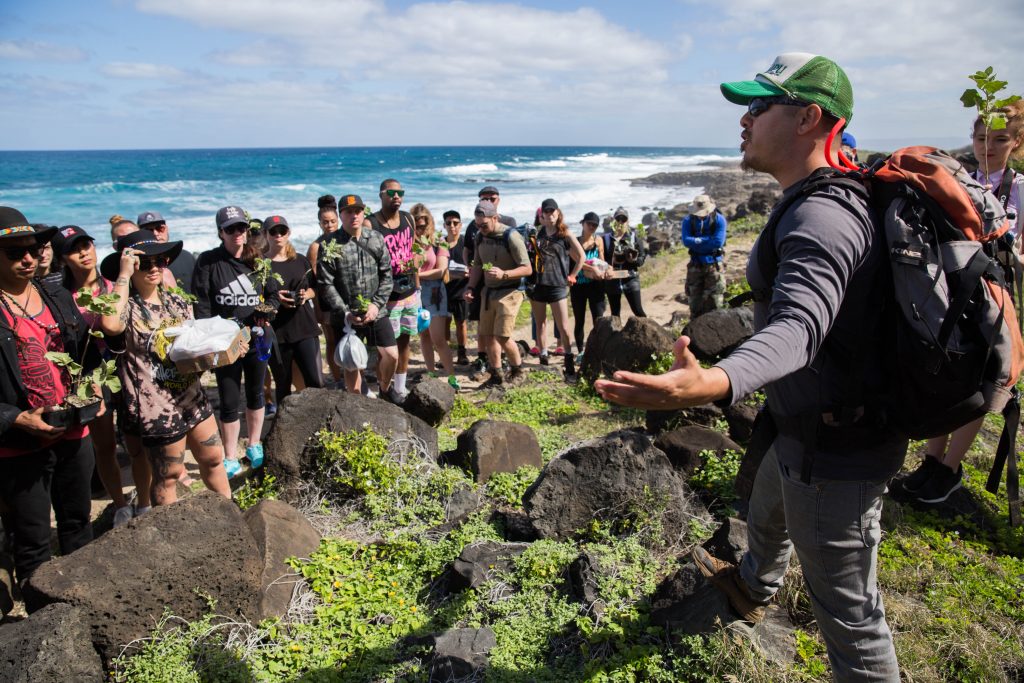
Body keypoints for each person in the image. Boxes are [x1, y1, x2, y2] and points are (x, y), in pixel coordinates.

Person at [596, 53, 904, 681]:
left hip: (837, 449)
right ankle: (753, 585)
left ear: (810, 118)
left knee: (849, 616)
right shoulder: (810, 198)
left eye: (759, 106)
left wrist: (715, 380)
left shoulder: (823, 216)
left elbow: (800, 326)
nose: (744, 118)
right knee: (766, 512)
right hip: (801, 425)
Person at [894, 100, 1024, 504]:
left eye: (1000, 139)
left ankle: (951, 468)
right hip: (960, 288)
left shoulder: (1017, 188)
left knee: (981, 378)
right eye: (981, 137)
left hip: (1000, 294)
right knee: (950, 367)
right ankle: (933, 461)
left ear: (1017, 142)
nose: (988, 146)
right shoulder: (963, 178)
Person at [99, 232, 231, 505]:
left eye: (160, 260)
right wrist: (123, 274)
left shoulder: (177, 302)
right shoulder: (127, 308)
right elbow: (110, 326)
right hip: (155, 405)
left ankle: (232, 514)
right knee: (168, 474)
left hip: (190, 395)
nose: (154, 268)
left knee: (214, 458)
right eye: (143, 263)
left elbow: (190, 348)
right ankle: (170, 538)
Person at [0, 211, 94, 585]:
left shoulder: (55, 294)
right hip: (19, 442)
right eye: (14, 252)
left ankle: (85, 604)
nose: (28, 258)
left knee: (77, 524)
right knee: (33, 539)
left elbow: (86, 352)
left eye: (34, 248)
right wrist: (14, 418)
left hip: (72, 429)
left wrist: (94, 384)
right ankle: (42, 630)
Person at [53, 225, 150, 525]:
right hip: (91, 378)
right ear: (62, 258)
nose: (83, 252)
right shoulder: (59, 296)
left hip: (127, 369)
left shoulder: (115, 284)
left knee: (137, 442)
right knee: (104, 446)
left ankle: (144, 502)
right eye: (74, 248)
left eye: (87, 244)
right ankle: (120, 504)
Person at [192, 205, 277, 478]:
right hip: (225, 344)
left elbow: (274, 295)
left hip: (256, 339)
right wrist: (209, 338)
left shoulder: (259, 260)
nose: (237, 233)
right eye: (230, 229)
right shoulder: (208, 261)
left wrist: (267, 314)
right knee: (228, 399)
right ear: (220, 232)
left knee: (255, 392)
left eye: (241, 227)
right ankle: (230, 456)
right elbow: (202, 304)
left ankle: (254, 445)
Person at [317, 194, 399, 398]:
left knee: (391, 355)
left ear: (363, 213)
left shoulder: (376, 238)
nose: (354, 215)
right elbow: (325, 284)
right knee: (351, 364)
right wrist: (345, 312)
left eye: (358, 211)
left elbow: (387, 276)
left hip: (375, 311)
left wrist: (376, 305)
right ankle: (357, 404)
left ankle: (385, 389)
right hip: (346, 316)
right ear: (341, 215)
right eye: (348, 212)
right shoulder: (329, 244)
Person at [464, 201, 532, 387]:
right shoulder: (479, 236)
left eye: (484, 225)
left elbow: (527, 268)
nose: (481, 229)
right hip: (489, 292)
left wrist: (504, 274)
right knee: (487, 336)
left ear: (495, 218)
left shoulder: (511, 236)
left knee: (502, 336)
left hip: (511, 291)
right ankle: (497, 375)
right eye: (478, 225)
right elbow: (479, 265)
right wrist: (470, 287)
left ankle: (518, 370)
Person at [367, 179, 417, 401]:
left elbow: (412, 250)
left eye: (400, 192)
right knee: (385, 348)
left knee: (405, 341)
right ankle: (384, 389)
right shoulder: (371, 224)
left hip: (408, 292)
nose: (397, 196)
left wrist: (418, 284)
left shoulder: (408, 218)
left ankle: (400, 388)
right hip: (385, 296)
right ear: (381, 195)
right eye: (391, 192)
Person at [264, 214, 323, 403]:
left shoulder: (300, 260)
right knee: (282, 383)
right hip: (277, 331)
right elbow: (254, 298)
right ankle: (284, 427)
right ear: (266, 235)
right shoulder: (261, 265)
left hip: (304, 327)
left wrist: (306, 295)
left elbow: (316, 287)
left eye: (282, 231)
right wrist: (275, 299)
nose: (278, 235)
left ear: (288, 233)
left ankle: (321, 423)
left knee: (315, 380)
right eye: (273, 232)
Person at [529, 198, 584, 377]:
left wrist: (573, 275)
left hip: (558, 286)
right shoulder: (537, 234)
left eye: (553, 212)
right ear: (542, 215)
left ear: (558, 213)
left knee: (564, 327)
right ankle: (543, 354)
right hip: (539, 285)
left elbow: (581, 256)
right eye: (547, 212)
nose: (550, 215)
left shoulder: (565, 233)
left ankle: (568, 357)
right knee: (541, 323)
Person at [409, 204, 459, 389]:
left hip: (434, 291)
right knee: (424, 336)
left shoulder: (439, 241)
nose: (421, 229)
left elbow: (441, 270)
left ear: (429, 223)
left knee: (438, 338)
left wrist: (417, 276)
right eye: (417, 226)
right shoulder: (409, 242)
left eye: (424, 225)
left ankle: (452, 377)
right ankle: (431, 373)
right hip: (415, 292)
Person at [308, 195, 343, 384]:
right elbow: (313, 281)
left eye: (332, 221)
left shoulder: (345, 239)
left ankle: (351, 373)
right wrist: (317, 308)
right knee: (332, 341)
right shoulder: (315, 246)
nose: (329, 225)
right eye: (325, 222)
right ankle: (337, 378)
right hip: (325, 300)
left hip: (346, 297)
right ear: (319, 223)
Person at [570, 212, 610, 358]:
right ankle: (580, 351)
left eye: (595, 225)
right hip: (578, 286)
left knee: (598, 320)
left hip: (596, 285)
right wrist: (591, 268)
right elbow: (576, 261)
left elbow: (603, 261)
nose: (592, 227)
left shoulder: (598, 240)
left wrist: (607, 270)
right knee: (579, 320)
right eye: (589, 224)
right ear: (583, 223)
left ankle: (598, 351)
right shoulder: (574, 241)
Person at [681, 194, 727, 318]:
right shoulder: (688, 221)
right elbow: (686, 241)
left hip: (714, 264)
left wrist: (696, 241)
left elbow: (718, 242)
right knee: (694, 302)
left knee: (715, 302)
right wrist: (706, 240)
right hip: (695, 265)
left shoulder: (719, 219)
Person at [137, 210, 198, 295]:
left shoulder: (187, 257)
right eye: (148, 231)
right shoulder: (138, 263)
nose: (155, 233)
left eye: (160, 228)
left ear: (166, 229)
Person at [604, 207, 647, 318]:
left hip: (631, 278)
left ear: (628, 221)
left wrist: (633, 260)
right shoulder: (607, 239)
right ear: (614, 221)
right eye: (618, 219)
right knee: (615, 314)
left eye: (624, 219)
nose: (620, 222)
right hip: (612, 280)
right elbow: (601, 259)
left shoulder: (633, 237)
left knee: (638, 310)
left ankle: (648, 333)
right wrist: (611, 261)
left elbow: (642, 258)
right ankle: (616, 335)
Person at [441, 210, 471, 365]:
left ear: (461, 224)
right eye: (448, 223)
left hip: (462, 290)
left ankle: (462, 353)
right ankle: (445, 355)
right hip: (444, 290)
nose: (452, 226)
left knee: (461, 323)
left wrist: (469, 273)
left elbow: (474, 265)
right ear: (444, 225)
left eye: (455, 223)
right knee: (444, 323)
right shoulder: (440, 244)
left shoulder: (466, 242)